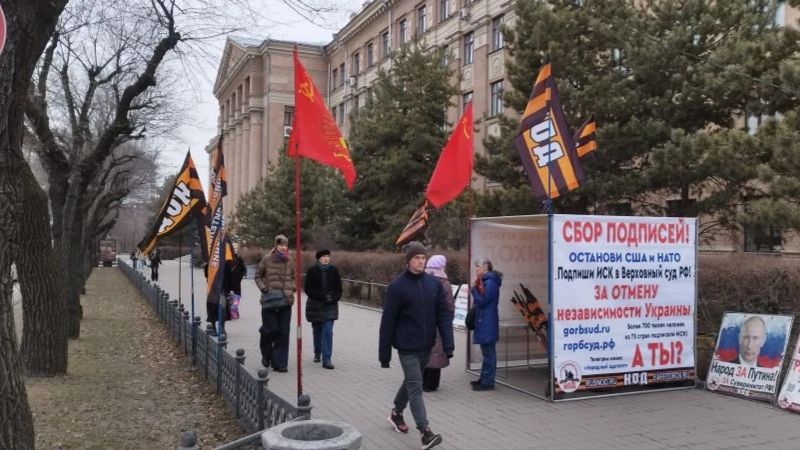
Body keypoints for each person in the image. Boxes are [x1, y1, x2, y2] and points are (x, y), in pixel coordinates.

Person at [380, 241, 453, 450]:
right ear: (408, 261)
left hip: (426, 346)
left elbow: (443, 315)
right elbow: (388, 321)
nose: (421, 261)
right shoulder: (397, 287)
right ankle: (425, 432)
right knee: (416, 386)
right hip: (406, 346)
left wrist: (448, 344)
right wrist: (384, 354)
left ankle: (396, 413)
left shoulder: (433, 284)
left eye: (423, 258)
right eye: (416, 258)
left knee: (412, 382)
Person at [255, 234, 296, 372]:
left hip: (285, 300)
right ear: (276, 245)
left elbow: (294, 276)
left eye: (286, 245)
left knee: (283, 332)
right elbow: (257, 275)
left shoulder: (290, 260)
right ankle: (266, 354)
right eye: (281, 245)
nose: (284, 247)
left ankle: (280, 363)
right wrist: (263, 288)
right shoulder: (267, 259)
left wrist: (293, 287)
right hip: (270, 300)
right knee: (270, 329)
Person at [304, 249, 343, 370]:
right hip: (315, 305)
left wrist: (333, 298)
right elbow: (308, 289)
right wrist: (321, 296)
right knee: (317, 331)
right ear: (318, 258)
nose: (326, 258)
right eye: (323, 257)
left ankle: (327, 359)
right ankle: (317, 352)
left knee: (327, 332)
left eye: (328, 256)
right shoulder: (312, 270)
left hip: (330, 305)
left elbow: (339, 289)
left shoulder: (334, 270)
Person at [422, 255, 455, 392]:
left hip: (422, 322)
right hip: (438, 322)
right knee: (436, 352)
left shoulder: (422, 279)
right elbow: (449, 306)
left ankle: (422, 381)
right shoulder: (444, 283)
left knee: (424, 351)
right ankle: (431, 384)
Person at [470, 258, 501, 391]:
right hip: (485, 321)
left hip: (488, 321)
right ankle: (484, 378)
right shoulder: (486, 281)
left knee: (489, 353)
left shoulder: (491, 282)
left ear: (486, 267)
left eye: (478, 266)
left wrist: (473, 289)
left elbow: (483, 301)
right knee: (486, 352)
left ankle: (488, 382)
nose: (476, 269)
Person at [223, 245, 247, 320]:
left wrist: (239, 278)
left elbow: (243, 270)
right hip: (229, 283)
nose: (235, 250)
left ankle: (234, 310)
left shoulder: (239, 259)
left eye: (236, 248)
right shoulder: (226, 259)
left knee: (235, 297)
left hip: (234, 283)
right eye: (234, 248)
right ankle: (231, 311)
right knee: (231, 297)